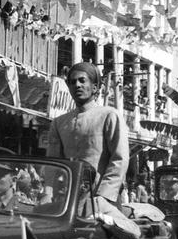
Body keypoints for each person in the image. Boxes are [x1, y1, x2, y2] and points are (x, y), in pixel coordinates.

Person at [47, 62, 128, 203]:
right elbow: (53, 164)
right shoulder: (59, 123)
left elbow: (119, 159)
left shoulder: (109, 116)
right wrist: (48, 194)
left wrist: (103, 196)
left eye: (82, 80)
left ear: (95, 87)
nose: (77, 85)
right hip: (67, 201)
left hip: (102, 200)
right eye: (72, 82)